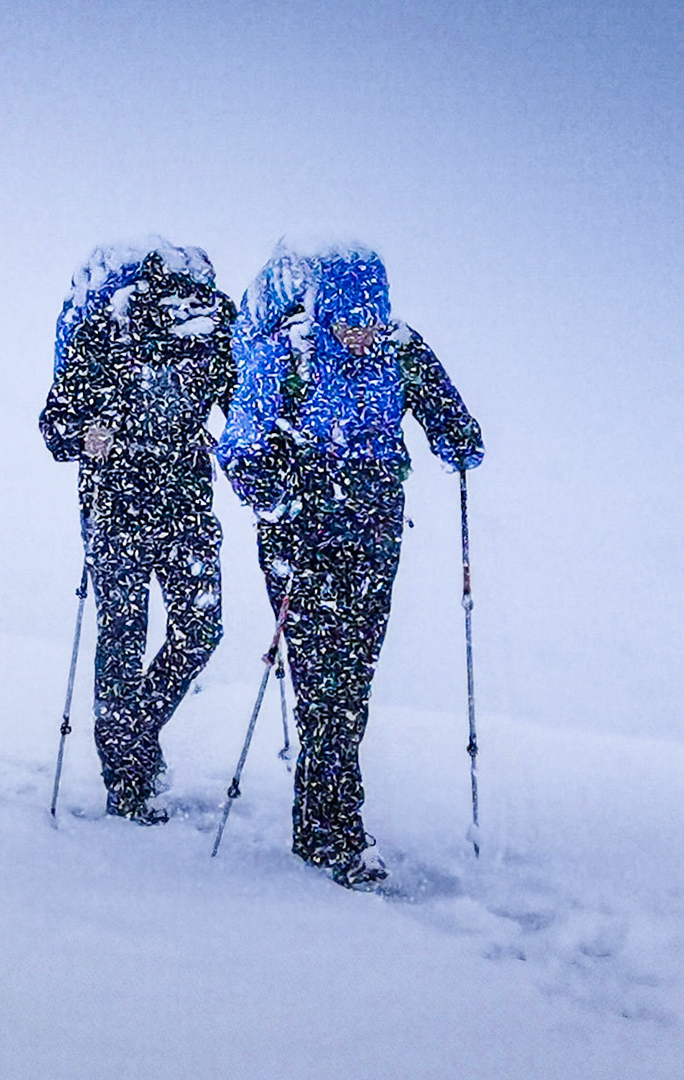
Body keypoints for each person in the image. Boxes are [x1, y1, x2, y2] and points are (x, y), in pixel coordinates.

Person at [215, 241, 482, 887]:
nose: (362, 335)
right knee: (323, 688)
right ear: (326, 312)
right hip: (300, 542)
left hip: (372, 537)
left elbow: (451, 420)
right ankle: (339, 835)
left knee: (350, 687)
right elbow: (241, 448)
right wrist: (282, 493)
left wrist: (460, 438)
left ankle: (318, 825)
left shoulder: (401, 348)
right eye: (349, 322)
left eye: (371, 320)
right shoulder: (288, 355)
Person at [40, 240, 238, 824]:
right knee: (123, 636)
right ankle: (125, 782)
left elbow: (244, 412)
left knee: (201, 630)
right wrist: (85, 437)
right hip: (114, 506)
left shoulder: (212, 340)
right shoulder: (103, 335)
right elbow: (54, 425)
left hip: (186, 508)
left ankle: (134, 735)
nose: (189, 314)